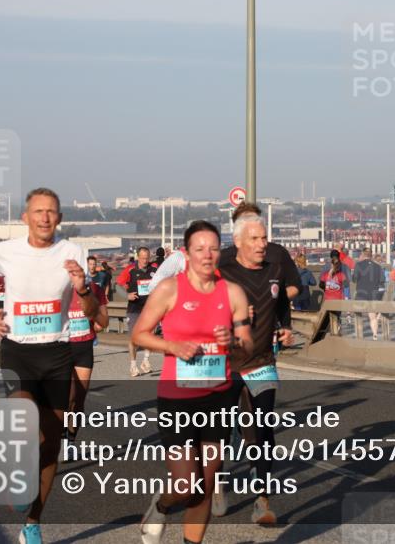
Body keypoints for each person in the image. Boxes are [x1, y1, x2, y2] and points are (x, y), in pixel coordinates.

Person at [0, 188, 96, 544]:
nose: (45, 217)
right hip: (18, 352)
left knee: (50, 446)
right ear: (25, 218)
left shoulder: (74, 252)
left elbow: (94, 312)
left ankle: (32, 522)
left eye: (51, 211)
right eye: (38, 211)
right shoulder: (7, 251)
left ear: (59, 218)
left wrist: (83, 288)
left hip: (58, 353)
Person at [134, 220, 253, 544]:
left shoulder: (232, 292)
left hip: (218, 397)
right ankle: (161, 506)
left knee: (206, 484)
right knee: (186, 485)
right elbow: (139, 334)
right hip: (177, 398)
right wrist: (171, 346)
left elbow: (248, 343)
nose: (207, 255)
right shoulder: (169, 289)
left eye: (213, 248)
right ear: (186, 254)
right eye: (200, 249)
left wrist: (233, 340)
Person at [218, 214, 294, 524]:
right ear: (238, 242)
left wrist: (285, 327)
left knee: (264, 430)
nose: (263, 244)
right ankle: (217, 482)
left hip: (262, 362)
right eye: (255, 238)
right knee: (220, 431)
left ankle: (262, 500)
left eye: (264, 238)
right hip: (225, 363)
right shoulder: (222, 273)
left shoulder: (274, 271)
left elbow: (282, 304)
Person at [65, 268, 109, 443]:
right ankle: (60, 434)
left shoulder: (94, 289)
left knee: (79, 399)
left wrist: (95, 317)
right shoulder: (57, 288)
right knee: (68, 396)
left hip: (83, 347)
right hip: (61, 348)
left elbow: (104, 321)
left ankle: (71, 440)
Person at [126, 246, 158, 377]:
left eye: (147, 258)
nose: (145, 261)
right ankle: (133, 365)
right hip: (134, 309)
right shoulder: (130, 270)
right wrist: (126, 295)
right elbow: (118, 284)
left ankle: (145, 361)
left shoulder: (154, 270)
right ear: (138, 257)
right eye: (143, 258)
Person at [352, 247, 385, 339]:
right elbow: (382, 280)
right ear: (371, 254)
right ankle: (375, 334)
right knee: (373, 316)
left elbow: (354, 279)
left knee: (358, 314)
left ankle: (359, 335)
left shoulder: (358, 265)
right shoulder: (378, 266)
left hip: (361, 293)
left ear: (363, 254)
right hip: (373, 293)